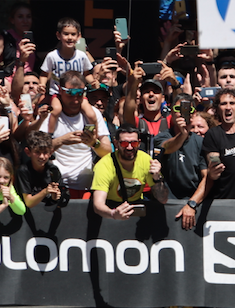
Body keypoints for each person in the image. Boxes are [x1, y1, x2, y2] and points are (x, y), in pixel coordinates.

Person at [176, 55, 235, 230]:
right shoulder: (213, 135)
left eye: (232, 103)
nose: (228, 107)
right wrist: (214, 171)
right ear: (217, 109)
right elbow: (212, 170)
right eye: (223, 104)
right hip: (225, 208)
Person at [40, 71, 111, 199]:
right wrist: (61, 141)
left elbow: (108, 151)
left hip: (87, 186)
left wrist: (94, 143)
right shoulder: (51, 114)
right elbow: (38, 150)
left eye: (79, 94)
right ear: (60, 90)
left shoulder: (93, 113)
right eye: (70, 93)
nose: (75, 99)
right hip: (57, 186)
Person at [90, 125, 167, 220]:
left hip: (135, 208)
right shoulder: (104, 165)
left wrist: (157, 178)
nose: (129, 148)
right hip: (110, 210)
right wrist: (113, 214)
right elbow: (98, 204)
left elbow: (163, 199)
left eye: (134, 143)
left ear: (139, 143)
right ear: (116, 144)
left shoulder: (146, 160)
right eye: (124, 144)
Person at [17, 130, 67, 211]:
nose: (42, 157)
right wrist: (45, 192)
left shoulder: (53, 170)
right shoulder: (23, 171)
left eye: (45, 152)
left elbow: (58, 196)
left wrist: (55, 197)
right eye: (37, 152)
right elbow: (28, 202)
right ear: (28, 152)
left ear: (51, 152)